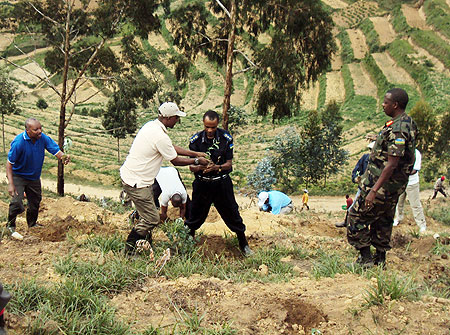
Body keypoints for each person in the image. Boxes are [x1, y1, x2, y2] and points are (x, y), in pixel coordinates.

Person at [120, 102, 209, 256]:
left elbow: (170, 147)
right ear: (168, 118)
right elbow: (174, 160)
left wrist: (194, 153)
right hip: (137, 183)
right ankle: (129, 249)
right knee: (152, 219)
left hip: (133, 177)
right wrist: (196, 161)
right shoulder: (159, 136)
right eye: (176, 117)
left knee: (146, 215)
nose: (177, 121)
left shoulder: (151, 126)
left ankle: (145, 244)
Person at [346, 88, 417, 268]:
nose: (383, 105)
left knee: (355, 217)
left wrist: (373, 191)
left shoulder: (399, 129)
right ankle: (380, 260)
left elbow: (392, 163)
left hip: (382, 185)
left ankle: (366, 259)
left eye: (386, 102)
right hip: (392, 186)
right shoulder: (407, 123)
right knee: (382, 220)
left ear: (395, 105)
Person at [184, 110, 253, 257]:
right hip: (202, 184)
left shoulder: (226, 138)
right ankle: (187, 245)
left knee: (232, 213)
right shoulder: (195, 141)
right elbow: (191, 166)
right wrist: (202, 167)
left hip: (221, 184)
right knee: (194, 216)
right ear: (203, 124)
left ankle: (243, 244)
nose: (210, 130)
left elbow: (228, 164)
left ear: (217, 125)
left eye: (213, 127)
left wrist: (216, 168)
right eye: (207, 127)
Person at [5, 118, 70, 233]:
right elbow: (9, 164)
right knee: (16, 202)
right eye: (36, 130)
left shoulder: (42, 138)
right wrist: (11, 183)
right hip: (18, 176)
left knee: (35, 201)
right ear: (28, 131)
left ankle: (32, 224)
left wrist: (63, 157)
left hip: (34, 177)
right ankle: (10, 226)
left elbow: (54, 149)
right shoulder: (19, 143)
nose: (39, 131)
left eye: (40, 128)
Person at [336, 143, 372, 228]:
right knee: (353, 207)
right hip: (363, 188)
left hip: (376, 190)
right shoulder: (365, 158)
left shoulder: (382, 162)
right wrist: (356, 178)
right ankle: (346, 222)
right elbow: (356, 170)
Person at [393, 149, 427, 232]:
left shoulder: (416, 153)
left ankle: (421, 224)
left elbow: (414, 170)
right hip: (401, 182)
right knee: (398, 202)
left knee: (415, 204)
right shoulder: (400, 151)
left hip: (412, 183)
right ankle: (398, 219)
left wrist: (402, 172)